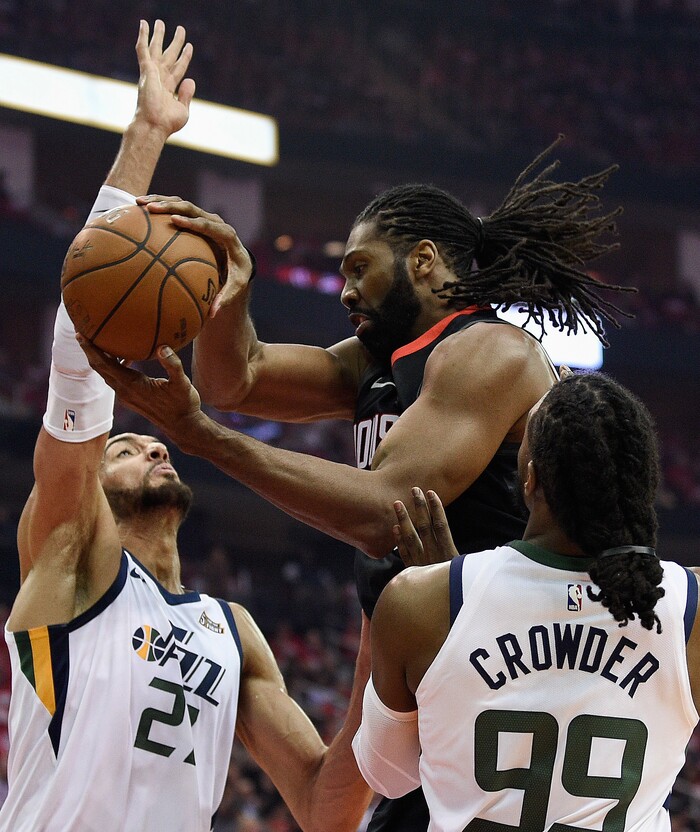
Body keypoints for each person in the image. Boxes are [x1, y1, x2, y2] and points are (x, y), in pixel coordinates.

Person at [78, 130, 633, 829]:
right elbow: (232, 379)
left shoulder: (490, 351)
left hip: (512, 682)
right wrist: (226, 296)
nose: (344, 290)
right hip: (441, 665)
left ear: (424, 262)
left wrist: (201, 440)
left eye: (359, 268)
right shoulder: (377, 358)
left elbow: (387, 513)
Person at [0, 20, 372, 832]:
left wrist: (390, 658)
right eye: (125, 446)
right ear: (88, 487)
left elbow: (323, 803)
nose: (153, 441)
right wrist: (146, 133)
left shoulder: (231, 631)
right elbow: (79, 332)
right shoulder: (67, 558)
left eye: (151, 439)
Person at [353, 371, 700, 832]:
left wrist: (451, 602)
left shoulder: (420, 602)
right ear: (643, 484)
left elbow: (388, 775)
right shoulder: (691, 610)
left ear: (530, 477)